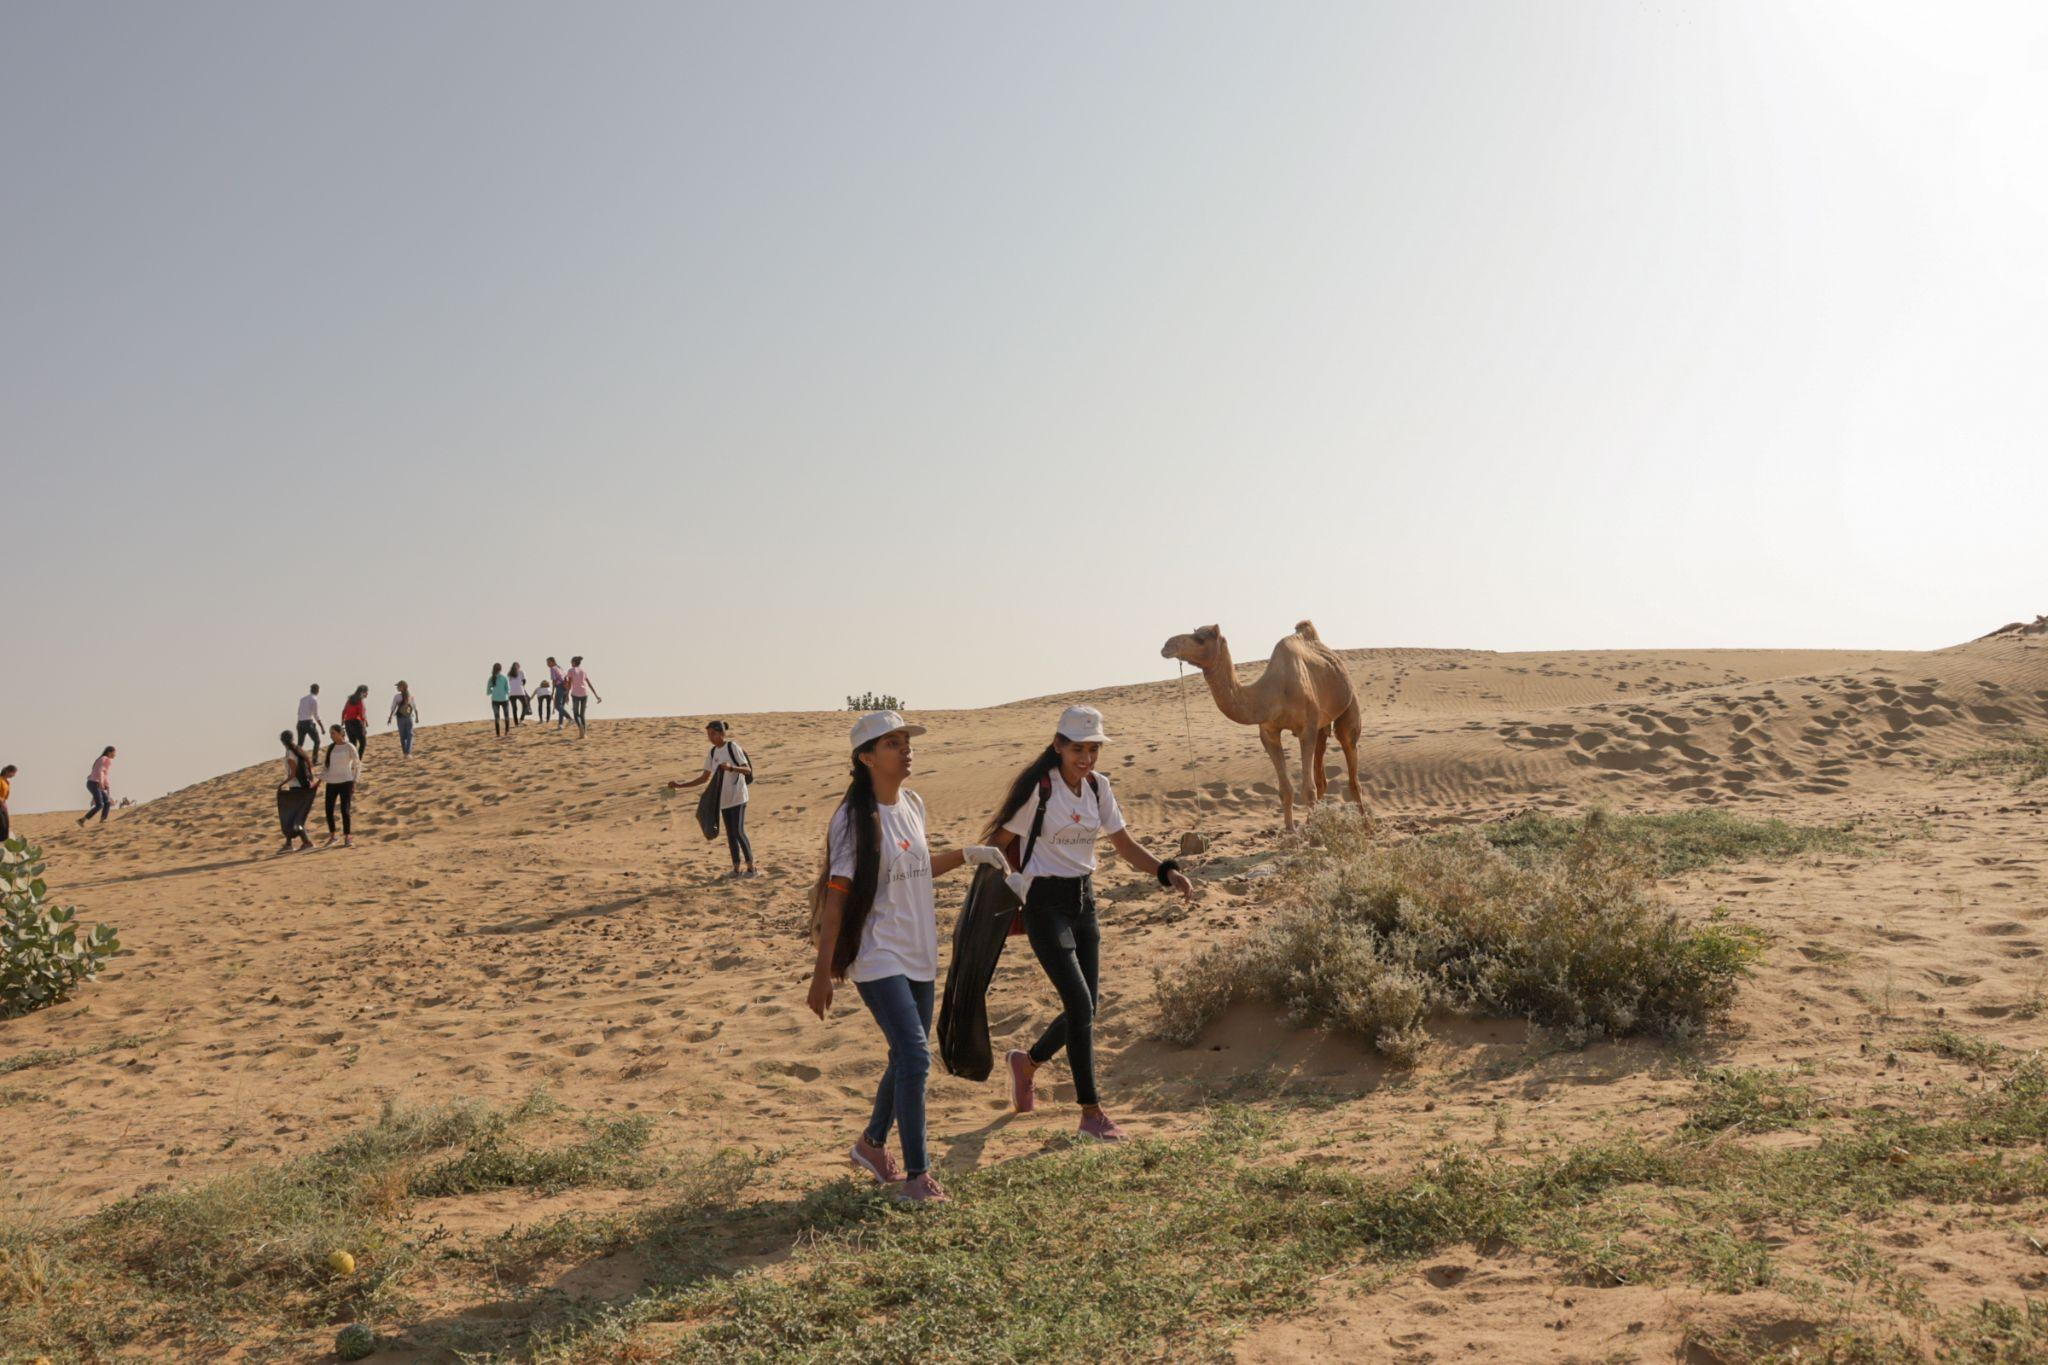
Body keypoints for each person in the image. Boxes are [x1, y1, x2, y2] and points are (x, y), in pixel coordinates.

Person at [805, 710, 1006, 1204]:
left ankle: (871, 1146)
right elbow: (837, 898)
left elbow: (916, 869)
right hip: (878, 955)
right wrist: (822, 972)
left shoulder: (912, 804)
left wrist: (967, 854)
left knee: (903, 1057)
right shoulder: (852, 819)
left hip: (919, 953)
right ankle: (918, 1177)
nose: (905, 748)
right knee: (916, 1057)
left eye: (905, 741)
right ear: (866, 757)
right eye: (892, 743)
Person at [983, 705, 1194, 1142]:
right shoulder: (1038, 791)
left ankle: (1028, 1063)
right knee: (1081, 1007)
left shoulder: (1099, 788)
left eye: (1093, 749)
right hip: (1043, 905)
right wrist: (1010, 886)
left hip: (1084, 902)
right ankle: (1091, 1112)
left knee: (1087, 1008)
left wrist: (1165, 872)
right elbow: (995, 845)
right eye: (1078, 748)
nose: (1086, 758)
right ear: (1058, 745)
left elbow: (1124, 844)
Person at [667, 720, 757, 877]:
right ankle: (736, 869)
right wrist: (680, 785)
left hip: (738, 796)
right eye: (708, 734)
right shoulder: (713, 753)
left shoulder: (732, 747)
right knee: (730, 834)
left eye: (713, 734)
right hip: (723, 800)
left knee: (738, 831)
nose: (711, 737)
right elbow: (704, 778)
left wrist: (731, 768)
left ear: (722, 733)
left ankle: (751, 869)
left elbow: (747, 769)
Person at [274, 731, 317, 854]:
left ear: (283, 741)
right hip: (302, 787)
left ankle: (307, 842)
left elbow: (292, 774)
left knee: (292, 816)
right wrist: (311, 779)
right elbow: (310, 765)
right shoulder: (299, 750)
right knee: (292, 816)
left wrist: (281, 784)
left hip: (297, 788)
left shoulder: (290, 753)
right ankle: (288, 844)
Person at [321, 723, 360, 847]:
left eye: (333, 733)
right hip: (331, 782)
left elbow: (357, 764)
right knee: (328, 810)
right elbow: (326, 766)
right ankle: (333, 836)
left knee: (345, 810)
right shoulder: (331, 747)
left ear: (340, 733)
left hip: (346, 782)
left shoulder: (349, 746)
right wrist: (319, 779)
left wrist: (354, 781)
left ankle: (348, 837)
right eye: (330, 733)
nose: (331, 736)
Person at [562, 655, 600, 738]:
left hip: (575, 694)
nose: (570, 663)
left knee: (576, 714)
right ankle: (584, 734)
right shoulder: (583, 671)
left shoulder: (571, 670)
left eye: (571, 661)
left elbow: (569, 684)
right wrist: (596, 695)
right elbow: (589, 683)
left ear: (574, 662)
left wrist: (567, 695)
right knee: (582, 714)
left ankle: (581, 729)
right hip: (585, 693)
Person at [77, 747, 116, 826]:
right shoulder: (106, 759)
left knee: (107, 802)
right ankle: (82, 820)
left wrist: (106, 785)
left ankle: (103, 820)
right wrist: (102, 782)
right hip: (94, 783)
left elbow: (104, 774)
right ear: (109, 752)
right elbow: (101, 771)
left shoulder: (101, 759)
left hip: (93, 783)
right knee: (100, 804)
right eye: (114, 753)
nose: (115, 755)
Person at [388, 682, 421, 758]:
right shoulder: (406, 696)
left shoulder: (399, 697)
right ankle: (407, 753)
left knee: (405, 735)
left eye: (398, 686)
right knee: (408, 735)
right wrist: (416, 717)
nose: (397, 688)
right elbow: (414, 707)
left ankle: (407, 753)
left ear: (403, 687)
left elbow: (393, 707)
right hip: (407, 718)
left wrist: (390, 717)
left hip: (402, 718)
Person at [342, 686, 370, 763]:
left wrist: (342, 721)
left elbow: (344, 711)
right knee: (363, 742)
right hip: (355, 723)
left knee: (353, 744)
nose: (367, 694)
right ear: (363, 692)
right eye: (366, 692)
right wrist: (364, 727)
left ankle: (353, 761)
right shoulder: (360, 701)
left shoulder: (350, 699)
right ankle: (358, 761)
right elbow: (361, 715)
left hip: (347, 723)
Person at [487, 663, 512, 738]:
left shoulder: (491, 678)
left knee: (497, 717)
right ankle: (506, 732)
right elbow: (508, 690)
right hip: (504, 699)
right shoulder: (504, 678)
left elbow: (488, 692)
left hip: (495, 700)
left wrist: (494, 691)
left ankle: (498, 734)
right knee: (506, 716)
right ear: (501, 669)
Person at [296, 684, 324, 752]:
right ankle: (315, 759)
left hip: (300, 722)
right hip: (308, 723)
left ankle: (296, 758)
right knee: (317, 741)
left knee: (300, 743)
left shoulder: (302, 699)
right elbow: (316, 715)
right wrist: (322, 727)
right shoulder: (314, 699)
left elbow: (299, 712)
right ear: (317, 690)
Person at [0, 763, 15, 846]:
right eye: (13, 773)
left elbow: (5, 796)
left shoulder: (6, 782)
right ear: (8, 771)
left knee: (6, 825)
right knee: (2, 825)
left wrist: (4, 804)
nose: (14, 775)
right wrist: (2, 802)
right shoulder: (0, 780)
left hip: (3, 805)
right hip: (0, 805)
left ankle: (4, 845)